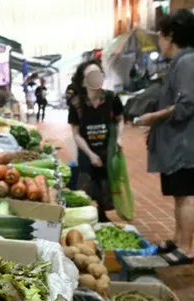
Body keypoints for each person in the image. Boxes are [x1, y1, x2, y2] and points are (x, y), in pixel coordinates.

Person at [136, 9, 194, 265]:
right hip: (177, 142)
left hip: (184, 145)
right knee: (179, 196)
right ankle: (178, 239)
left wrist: (154, 117)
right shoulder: (182, 61)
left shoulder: (187, 62)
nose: (159, 41)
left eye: (160, 35)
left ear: (170, 35)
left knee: (186, 196)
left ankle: (186, 248)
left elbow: (187, 104)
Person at [68, 61, 124, 222]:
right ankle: (92, 216)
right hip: (87, 151)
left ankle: (102, 215)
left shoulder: (112, 99)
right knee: (87, 185)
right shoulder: (76, 104)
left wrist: (119, 139)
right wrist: (91, 155)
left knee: (105, 184)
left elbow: (120, 120)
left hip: (108, 150)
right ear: (83, 81)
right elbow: (76, 134)